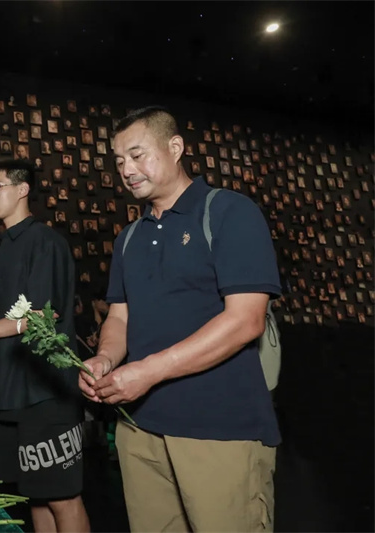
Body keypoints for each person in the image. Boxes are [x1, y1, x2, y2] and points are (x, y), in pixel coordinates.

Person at [78, 106, 281, 532]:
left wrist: (149, 371)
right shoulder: (129, 238)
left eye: (137, 155)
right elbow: (119, 317)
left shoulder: (228, 212)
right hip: (140, 428)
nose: (127, 170)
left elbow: (246, 320)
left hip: (218, 428)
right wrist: (106, 360)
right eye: (119, 161)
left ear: (175, 147)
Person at [0, 159, 90, 532]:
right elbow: (3, 315)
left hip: (45, 390)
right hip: (11, 392)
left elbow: (45, 314)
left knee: (63, 497)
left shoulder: (45, 242)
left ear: (23, 189)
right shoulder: (3, 249)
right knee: (35, 495)